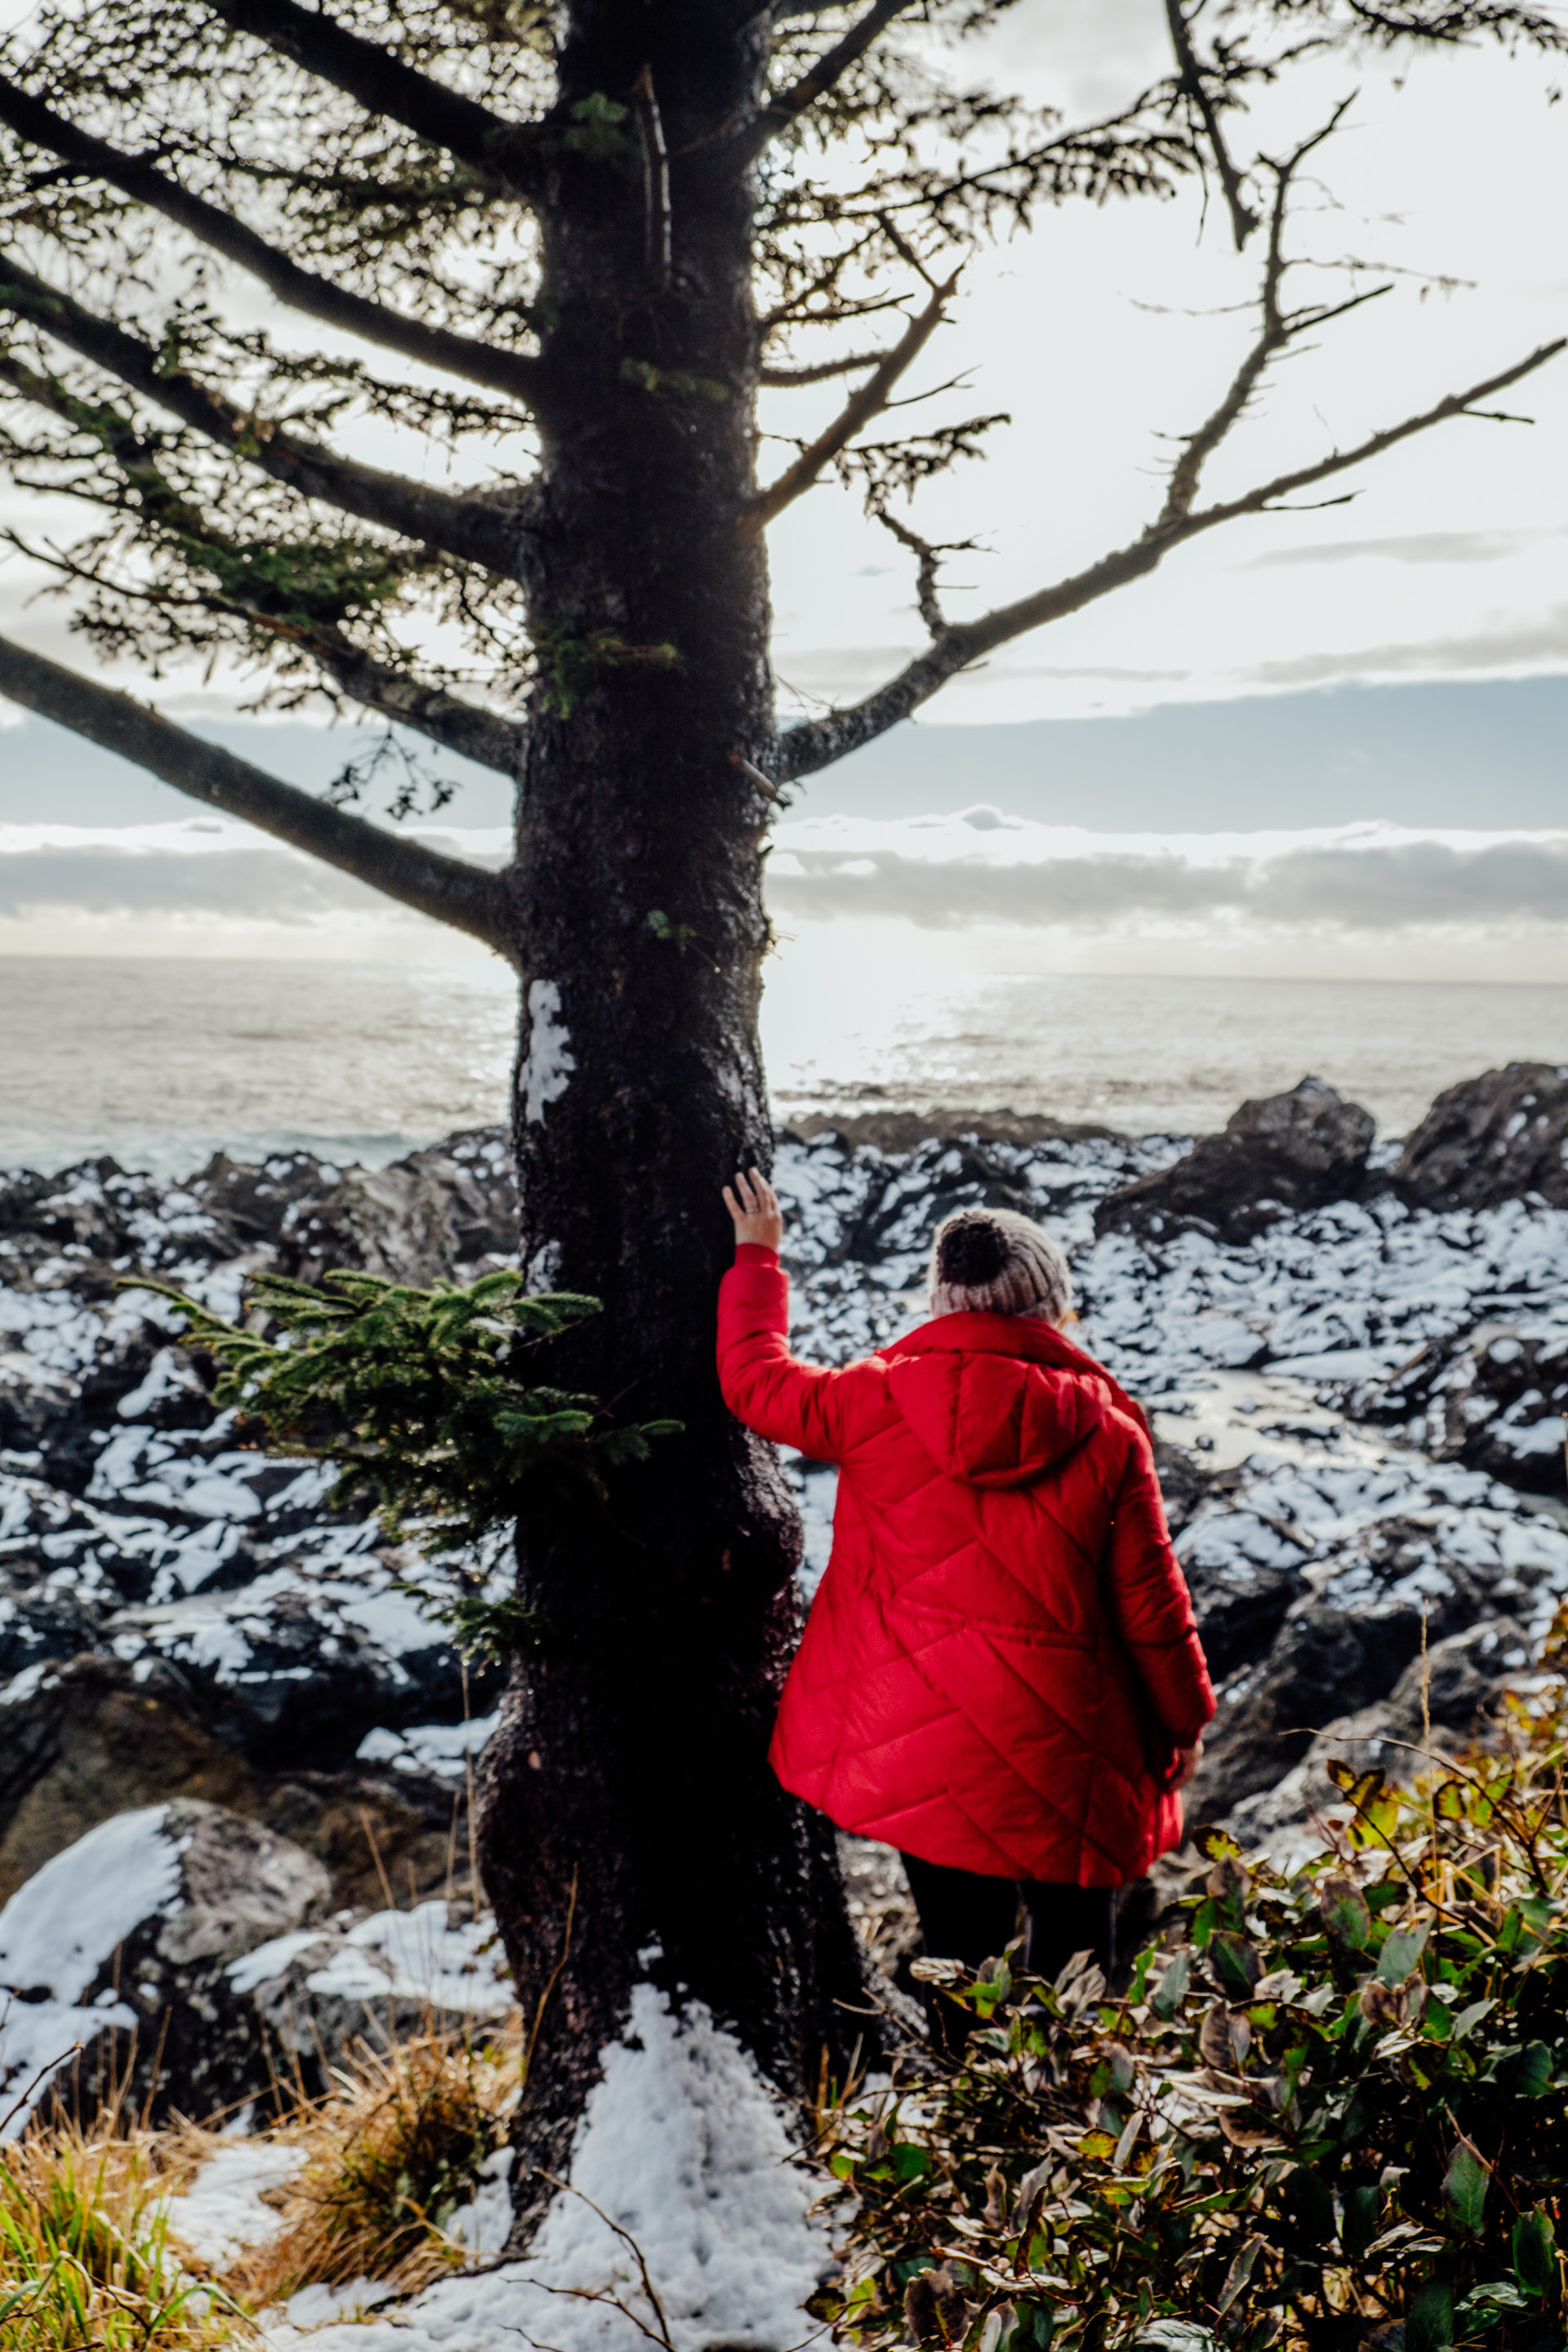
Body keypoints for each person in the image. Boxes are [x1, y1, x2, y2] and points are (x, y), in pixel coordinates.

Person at [717, 1166, 1214, 2007]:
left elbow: (754, 1382)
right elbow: (1151, 1606)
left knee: (958, 1958)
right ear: (1052, 1305)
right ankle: (1070, 2121)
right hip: (1069, 1751)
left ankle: (966, 2114)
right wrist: (1185, 1722)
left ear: (942, 1301)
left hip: (920, 1741)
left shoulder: (869, 1399)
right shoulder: (1106, 1433)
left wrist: (757, 1262)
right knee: (1076, 1975)